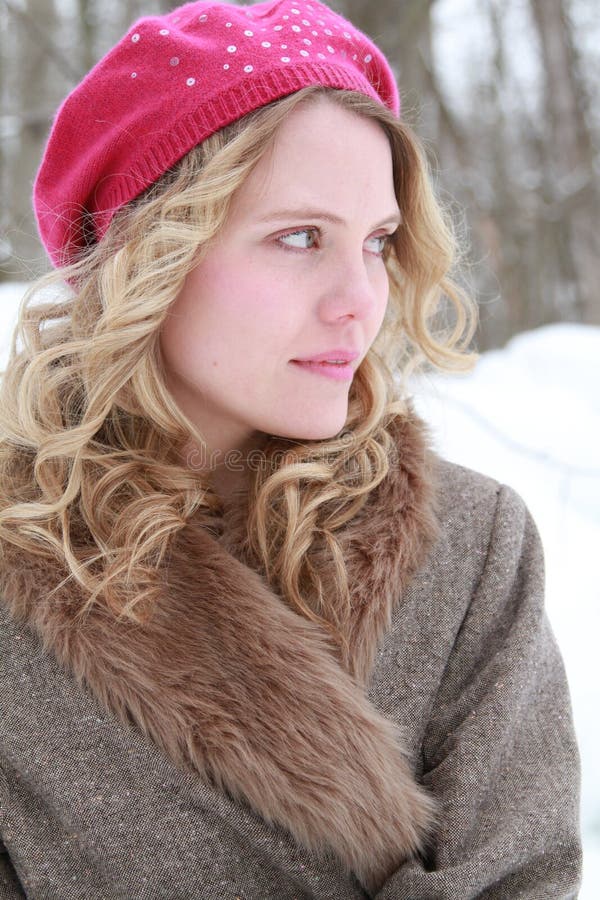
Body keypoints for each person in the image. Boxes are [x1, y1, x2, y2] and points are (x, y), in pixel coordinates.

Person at [0, 0, 582, 897]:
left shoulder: (474, 545)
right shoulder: (18, 570)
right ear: (147, 257)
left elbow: (524, 875)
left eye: (379, 243)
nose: (360, 299)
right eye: (300, 237)